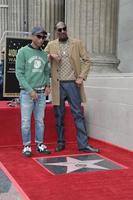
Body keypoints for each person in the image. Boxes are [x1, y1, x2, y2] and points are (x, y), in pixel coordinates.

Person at [45, 21, 99, 153]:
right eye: (59, 30)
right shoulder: (51, 45)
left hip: (72, 84)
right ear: (56, 32)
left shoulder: (77, 43)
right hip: (57, 85)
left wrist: (81, 77)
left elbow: (87, 60)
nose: (62, 31)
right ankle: (60, 142)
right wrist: (50, 55)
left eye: (64, 29)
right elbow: (42, 58)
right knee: (59, 115)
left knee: (78, 114)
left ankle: (83, 144)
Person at [16, 26, 51, 157]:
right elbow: (19, 74)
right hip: (27, 94)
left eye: (43, 37)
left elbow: (46, 72)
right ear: (32, 36)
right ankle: (26, 146)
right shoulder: (22, 52)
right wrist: (30, 91)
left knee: (40, 121)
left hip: (41, 93)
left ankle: (40, 144)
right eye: (39, 36)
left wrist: (48, 85)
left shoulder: (43, 54)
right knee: (25, 121)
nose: (42, 39)